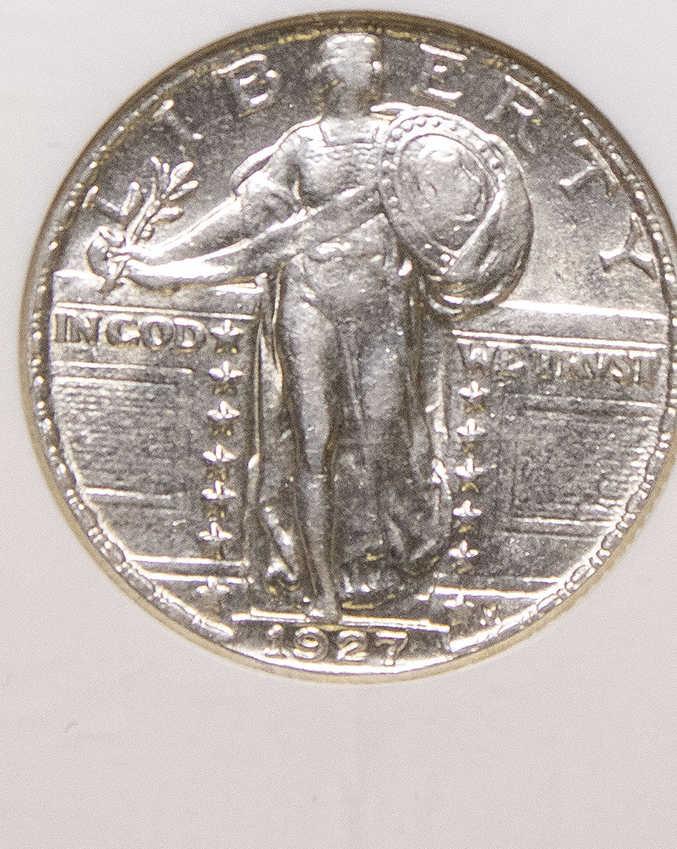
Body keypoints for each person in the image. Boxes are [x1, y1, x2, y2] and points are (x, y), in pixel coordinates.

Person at [92, 33, 477, 617]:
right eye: (352, 61)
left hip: (383, 306)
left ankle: (376, 562)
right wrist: (160, 258)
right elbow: (245, 217)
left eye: (371, 61)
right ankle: (320, 589)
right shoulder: (301, 143)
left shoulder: (403, 142)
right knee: (312, 445)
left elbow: (454, 212)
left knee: (385, 439)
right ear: (328, 74)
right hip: (309, 301)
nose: (367, 69)